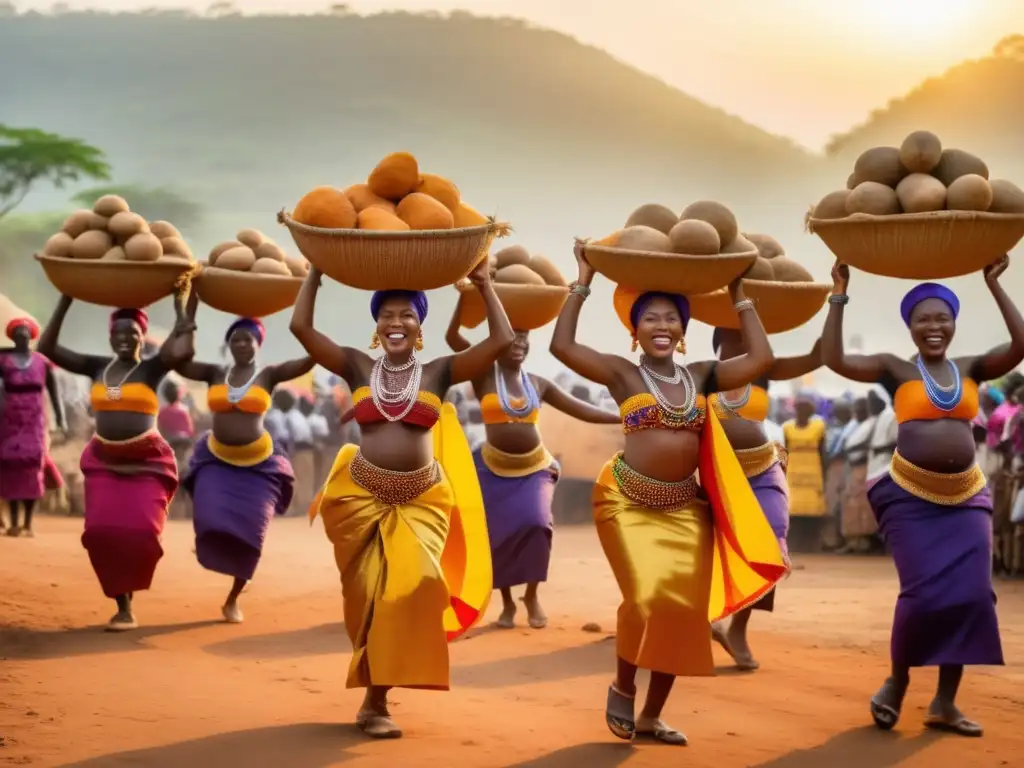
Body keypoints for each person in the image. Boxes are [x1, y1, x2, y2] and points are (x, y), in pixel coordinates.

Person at [549, 241, 786, 746]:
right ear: (634, 330)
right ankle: (622, 683)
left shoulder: (701, 375)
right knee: (647, 598)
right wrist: (583, 278)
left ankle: (652, 716)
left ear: (684, 331)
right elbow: (562, 348)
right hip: (626, 501)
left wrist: (740, 296)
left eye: (671, 319)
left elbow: (762, 356)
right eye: (650, 318)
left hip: (685, 510)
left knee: (683, 614)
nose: (661, 326)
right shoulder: (622, 373)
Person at [289, 260, 513, 739]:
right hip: (361, 499)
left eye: (407, 314)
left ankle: (376, 701)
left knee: (410, 590)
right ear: (376, 325)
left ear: (420, 325)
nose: (396, 322)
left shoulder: (439, 371)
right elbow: (301, 327)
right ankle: (374, 691)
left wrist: (485, 284)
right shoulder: (354, 365)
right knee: (367, 599)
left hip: (421, 501)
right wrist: (315, 273)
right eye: (387, 314)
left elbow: (499, 342)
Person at [822, 257, 1021, 737]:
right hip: (910, 497)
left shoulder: (972, 366)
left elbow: (1021, 344)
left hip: (967, 495)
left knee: (972, 595)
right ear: (910, 326)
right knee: (923, 596)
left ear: (954, 323)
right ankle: (898, 680)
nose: (934, 326)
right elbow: (835, 359)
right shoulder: (895, 369)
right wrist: (839, 293)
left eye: (942, 318)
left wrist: (995, 285)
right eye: (923, 319)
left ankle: (945, 703)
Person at [445, 303, 619, 630]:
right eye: (512, 337)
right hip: (492, 468)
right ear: (497, 340)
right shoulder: (482, 374)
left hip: (533, 469)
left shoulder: (538, 383)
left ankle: (532, 594)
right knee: (498, 536)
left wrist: (626, 416)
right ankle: (509, 603)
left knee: (537, 525)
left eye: (525, 338)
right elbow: (452, 336)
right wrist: (468, 296)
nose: (520, 344)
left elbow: (582, 409)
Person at [36, 292, 195, 631]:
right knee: (100, 532)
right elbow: (46, 348)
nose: (125, 338)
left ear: (142, 337)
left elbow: (183, 351)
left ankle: (131, 590)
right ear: (110, 336)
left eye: (132, 333)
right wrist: (66, 298)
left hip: (147, 461)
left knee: (142, 533)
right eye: (118, 333)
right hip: (105, 460)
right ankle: (123, 606)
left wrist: (184, 307)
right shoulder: (96, 367)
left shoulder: (152, 368)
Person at [175, 315, 311, 623]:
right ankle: (212, 544)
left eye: (246, 339)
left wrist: (307, 326)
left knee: (252, 536)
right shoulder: (214, 372)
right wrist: (188, 317)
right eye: (235, 339)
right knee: (208, 517)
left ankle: (233, 598)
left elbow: (308, 361)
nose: (240, 345)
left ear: (257, 344)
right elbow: (179, 362)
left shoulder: (268, 374)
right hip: (216, 459)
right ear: (228, 344)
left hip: (259, 464)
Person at [706, 328, 822, 671]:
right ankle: (706, 618)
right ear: (718, 345)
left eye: (747, 334)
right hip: (718, 473)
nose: (743, 340)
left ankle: (738, 628)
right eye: (733, 336)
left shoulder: (765, 372)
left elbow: (818, 356)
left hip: (763, 468)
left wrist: (837, 298)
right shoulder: (703, 376)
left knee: (770, 545)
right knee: (712, 550)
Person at [0, 317, 66, 537]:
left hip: (35, 421)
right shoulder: (4, 361)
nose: (22, 336)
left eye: (25, 333)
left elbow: (54, 392)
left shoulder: (42, 362)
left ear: (32, 337)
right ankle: (14, 522)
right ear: (12, 338)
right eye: (17, 333)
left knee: (32, 467)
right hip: (9, 420)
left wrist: (61, 418)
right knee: (10, 467)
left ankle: (28, 523)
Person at [782, 394, 827, 547]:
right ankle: (794, 543)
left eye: (805, 409)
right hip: (793, 471)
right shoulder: (787, 427)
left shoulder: (819, 426)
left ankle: (811, 542)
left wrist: (824, 473)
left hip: (813, 471)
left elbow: (823, 452)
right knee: (792, 507)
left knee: (813, 508)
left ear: (811, 411)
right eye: (799, 409)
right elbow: (784, 451)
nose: (801, 411)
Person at [838, 397, 876, 554]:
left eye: (860, 410)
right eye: (856, 410)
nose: (857, 413)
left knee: (863, 505)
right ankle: (853, 540)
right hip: (852, 467)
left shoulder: (872, 424)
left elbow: (870, 445)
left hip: (866, 467)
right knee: (850, 503)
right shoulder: (854, 426)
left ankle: (864, 541)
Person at [158, 379, 196, 520]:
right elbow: (191, 431)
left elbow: (161, 432)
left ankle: (171, 514)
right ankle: (186, 513)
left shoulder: (163, 412)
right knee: (185, 476)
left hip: (171, 447)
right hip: (184, 446)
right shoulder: (184, 410)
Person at [823, 400, 854, 550]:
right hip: (833, 466)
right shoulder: (830, 427)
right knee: (832, 503)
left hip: (846, 465)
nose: (840, 414)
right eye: (838, 411)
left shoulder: (853, 427)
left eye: (843, 411)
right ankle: (833, 539)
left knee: (844, 503)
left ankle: (844, 539)